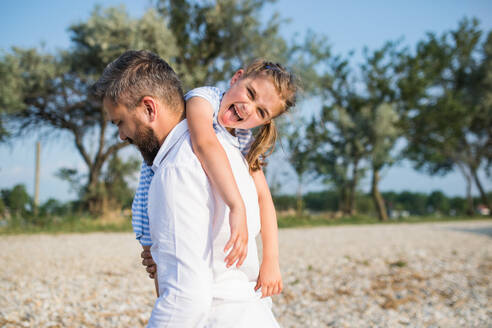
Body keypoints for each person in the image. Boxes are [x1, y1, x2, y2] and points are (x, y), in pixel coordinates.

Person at [92, 50, 291, 327]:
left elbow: (186, 300)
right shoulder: (228, 150)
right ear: (237, 79)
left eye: (120, 122)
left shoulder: (179, 166)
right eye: (250, 94)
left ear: (150, 108)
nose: (122, 135)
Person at [136, 58, 297, 299]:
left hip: (196, 218)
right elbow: (205, 143)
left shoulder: (243, 138)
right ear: (236, 78)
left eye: (261, 112)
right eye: (250, 93)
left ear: (265, 121)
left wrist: (271, 260)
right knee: (172, 290)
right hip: (157, 206)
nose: (248, 108)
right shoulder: (204, 98)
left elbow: (264, 196)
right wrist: (236, 206)